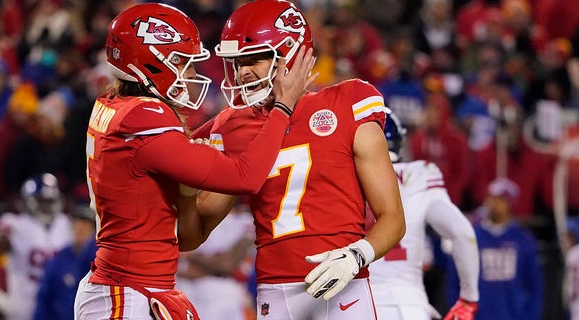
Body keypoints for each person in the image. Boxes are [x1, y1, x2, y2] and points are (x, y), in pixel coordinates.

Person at [74, 2, 314, 320]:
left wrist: (187, 192)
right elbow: (245, 176)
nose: (190, 74)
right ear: (150, 61)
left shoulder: (114, 104)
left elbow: (181, 232)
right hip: (127, 291)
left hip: (137, 285)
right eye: (182, 63)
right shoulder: (146, 116)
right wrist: (283, 106)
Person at [190, 1, 405, 318]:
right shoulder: (232, 125)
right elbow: (196, 230)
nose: (242, 72)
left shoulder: (348, 103)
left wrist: (356, 255)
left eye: (253, 59)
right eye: (236, 63)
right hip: (274, 293)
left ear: (290, 54)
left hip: (346, 284)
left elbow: (393, 218)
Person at [368, 110, 480, 320]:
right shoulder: (418, 176)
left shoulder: (337, 180)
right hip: (407, 305)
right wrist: (468, 298)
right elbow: (462, 232)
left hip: (350, 306)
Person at [447, 177, 543, 320]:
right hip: (479, 315)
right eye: (491, 198)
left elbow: (535, 284)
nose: (494, 204)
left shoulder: (523, 240)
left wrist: (529, 315)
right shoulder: (472, 237)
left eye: (500, 199)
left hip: (513, 314)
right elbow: (455, 280)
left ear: (509, 204)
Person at [0, 173, 73, 320]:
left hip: (57, 299)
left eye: (50, 201)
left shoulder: (65, 224)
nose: (47, 206)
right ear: (28, 201)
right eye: (41, 201)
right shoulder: (15, 224)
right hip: (24, 299)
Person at [33, 207, 97, 320]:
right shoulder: (58, 259)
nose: (81, 230)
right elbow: (44, 297)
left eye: (86, 227)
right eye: (78, 225)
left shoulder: (99, 260)